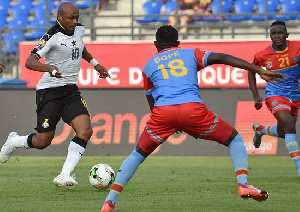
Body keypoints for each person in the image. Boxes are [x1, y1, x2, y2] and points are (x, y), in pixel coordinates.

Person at [100, 25, 285, 211]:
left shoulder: (148, 66)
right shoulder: (191, 54)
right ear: (178, 43)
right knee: (234, 139)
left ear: (155, 44)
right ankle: (243, 184)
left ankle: (109, 202)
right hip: (192, 110)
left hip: (163, 114)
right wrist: (258, 70)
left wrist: (166, 121)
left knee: (137, 154)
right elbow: (222, 57)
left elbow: (151, 98)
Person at [0, 2, 110, 189]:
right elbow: (29, 61)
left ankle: (64, 174)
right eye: (71, 18)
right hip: (49, 92)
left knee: (85, 130)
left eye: (77, 17)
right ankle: (14, 141)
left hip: (70, 90)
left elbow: (80, 48)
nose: (75, 21)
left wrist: (95, 63)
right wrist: (49, 68)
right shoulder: (51, 36)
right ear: (60, 17)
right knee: (43, 142)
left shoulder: (79, 30)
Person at [248, 21, 300, 176]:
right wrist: (256, 96)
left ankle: (261, 129)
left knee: (284, 132)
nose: (277, 36)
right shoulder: (262, 55)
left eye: (280, 33)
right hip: (275, 95)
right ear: (270, 36)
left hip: (295, 96)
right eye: (274, 33)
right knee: (289, 127)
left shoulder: (297, 47)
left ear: (287, 35)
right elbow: (250, 71)